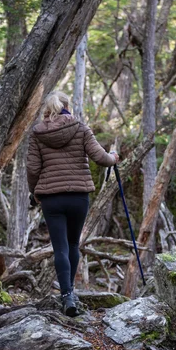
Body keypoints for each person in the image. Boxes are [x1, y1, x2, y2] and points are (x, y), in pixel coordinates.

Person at [27, 91, 119, 316]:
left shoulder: (38, 134)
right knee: (73, 244)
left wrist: (34, 192)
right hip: (78, 196)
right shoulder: (81, 128)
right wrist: (114, 156)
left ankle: (67, 295)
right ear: (67, 106)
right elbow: (101, 159)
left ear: (47, 109)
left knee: (60, 247)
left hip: (51, 198)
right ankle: (71, 293)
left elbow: (32, 169)